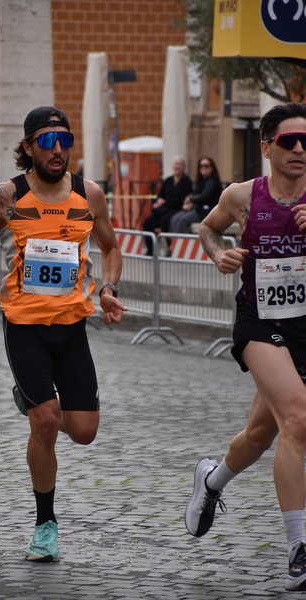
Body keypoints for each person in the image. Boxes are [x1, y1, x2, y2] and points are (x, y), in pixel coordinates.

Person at [0, 105, 127, 562]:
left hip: (72, 327)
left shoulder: (90, 194)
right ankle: (45, 523)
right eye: (47, 142)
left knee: (84, 432)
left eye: (64, 140)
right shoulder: (6, 197)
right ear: (27, 148)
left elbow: (110, 246)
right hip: (24, 326)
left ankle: (31, 399)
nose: (57, 150)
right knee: (46, 421)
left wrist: (108, 288)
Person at [184, 102, 306, 592]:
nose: (299, 149)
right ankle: (299, 547)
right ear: (266, 147)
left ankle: (211, 482)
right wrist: (219, 255)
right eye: (289, 141)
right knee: (297, 418)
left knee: (260, 436)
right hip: (260, 322)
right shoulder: (242, 196)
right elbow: (207, 229)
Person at [142, 156, 192, 255]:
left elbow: (182, 200)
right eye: (176, 164)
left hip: (177, 209)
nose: (177, 166)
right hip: (164, 209)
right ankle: (151, 250)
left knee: (164, 222)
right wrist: (159, 201)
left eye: (180, 164)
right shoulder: (168, 180)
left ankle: (170, 248)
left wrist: (166, 201)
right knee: (147, 222)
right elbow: (160, 195)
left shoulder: (187, 181)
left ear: (184, 167)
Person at [168, 156, 222, 235]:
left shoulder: (212, 182)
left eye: (206, 166)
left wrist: (191, 199)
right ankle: (174, 244)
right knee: (174, 218)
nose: (203, 168)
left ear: (212, 167)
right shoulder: (202, 181)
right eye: (201, 166)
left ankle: (184, 244)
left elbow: (204, 196)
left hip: (206, 211)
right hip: (197, 209)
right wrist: (190, 198)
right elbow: (195, 194)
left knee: (183, 220)